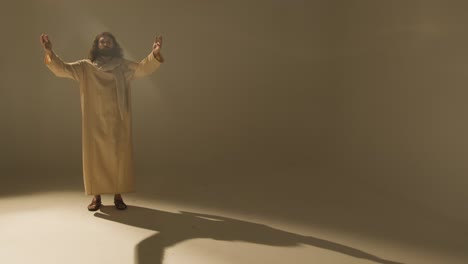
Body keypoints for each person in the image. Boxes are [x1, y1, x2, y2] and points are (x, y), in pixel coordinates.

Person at [40, 32, 164, 211]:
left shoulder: (122, 65)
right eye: (102, 41)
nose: (105, 43)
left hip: (117, 117)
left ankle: (118, 196)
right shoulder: (86, 66)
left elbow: (141, 68)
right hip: (94, 118)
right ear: (96, 46)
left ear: (113, 45)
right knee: (94, 157)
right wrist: (50, 52)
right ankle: (96, 197)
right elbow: (63, 69)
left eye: (108, 41)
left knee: (119, 157)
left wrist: (154, 53)